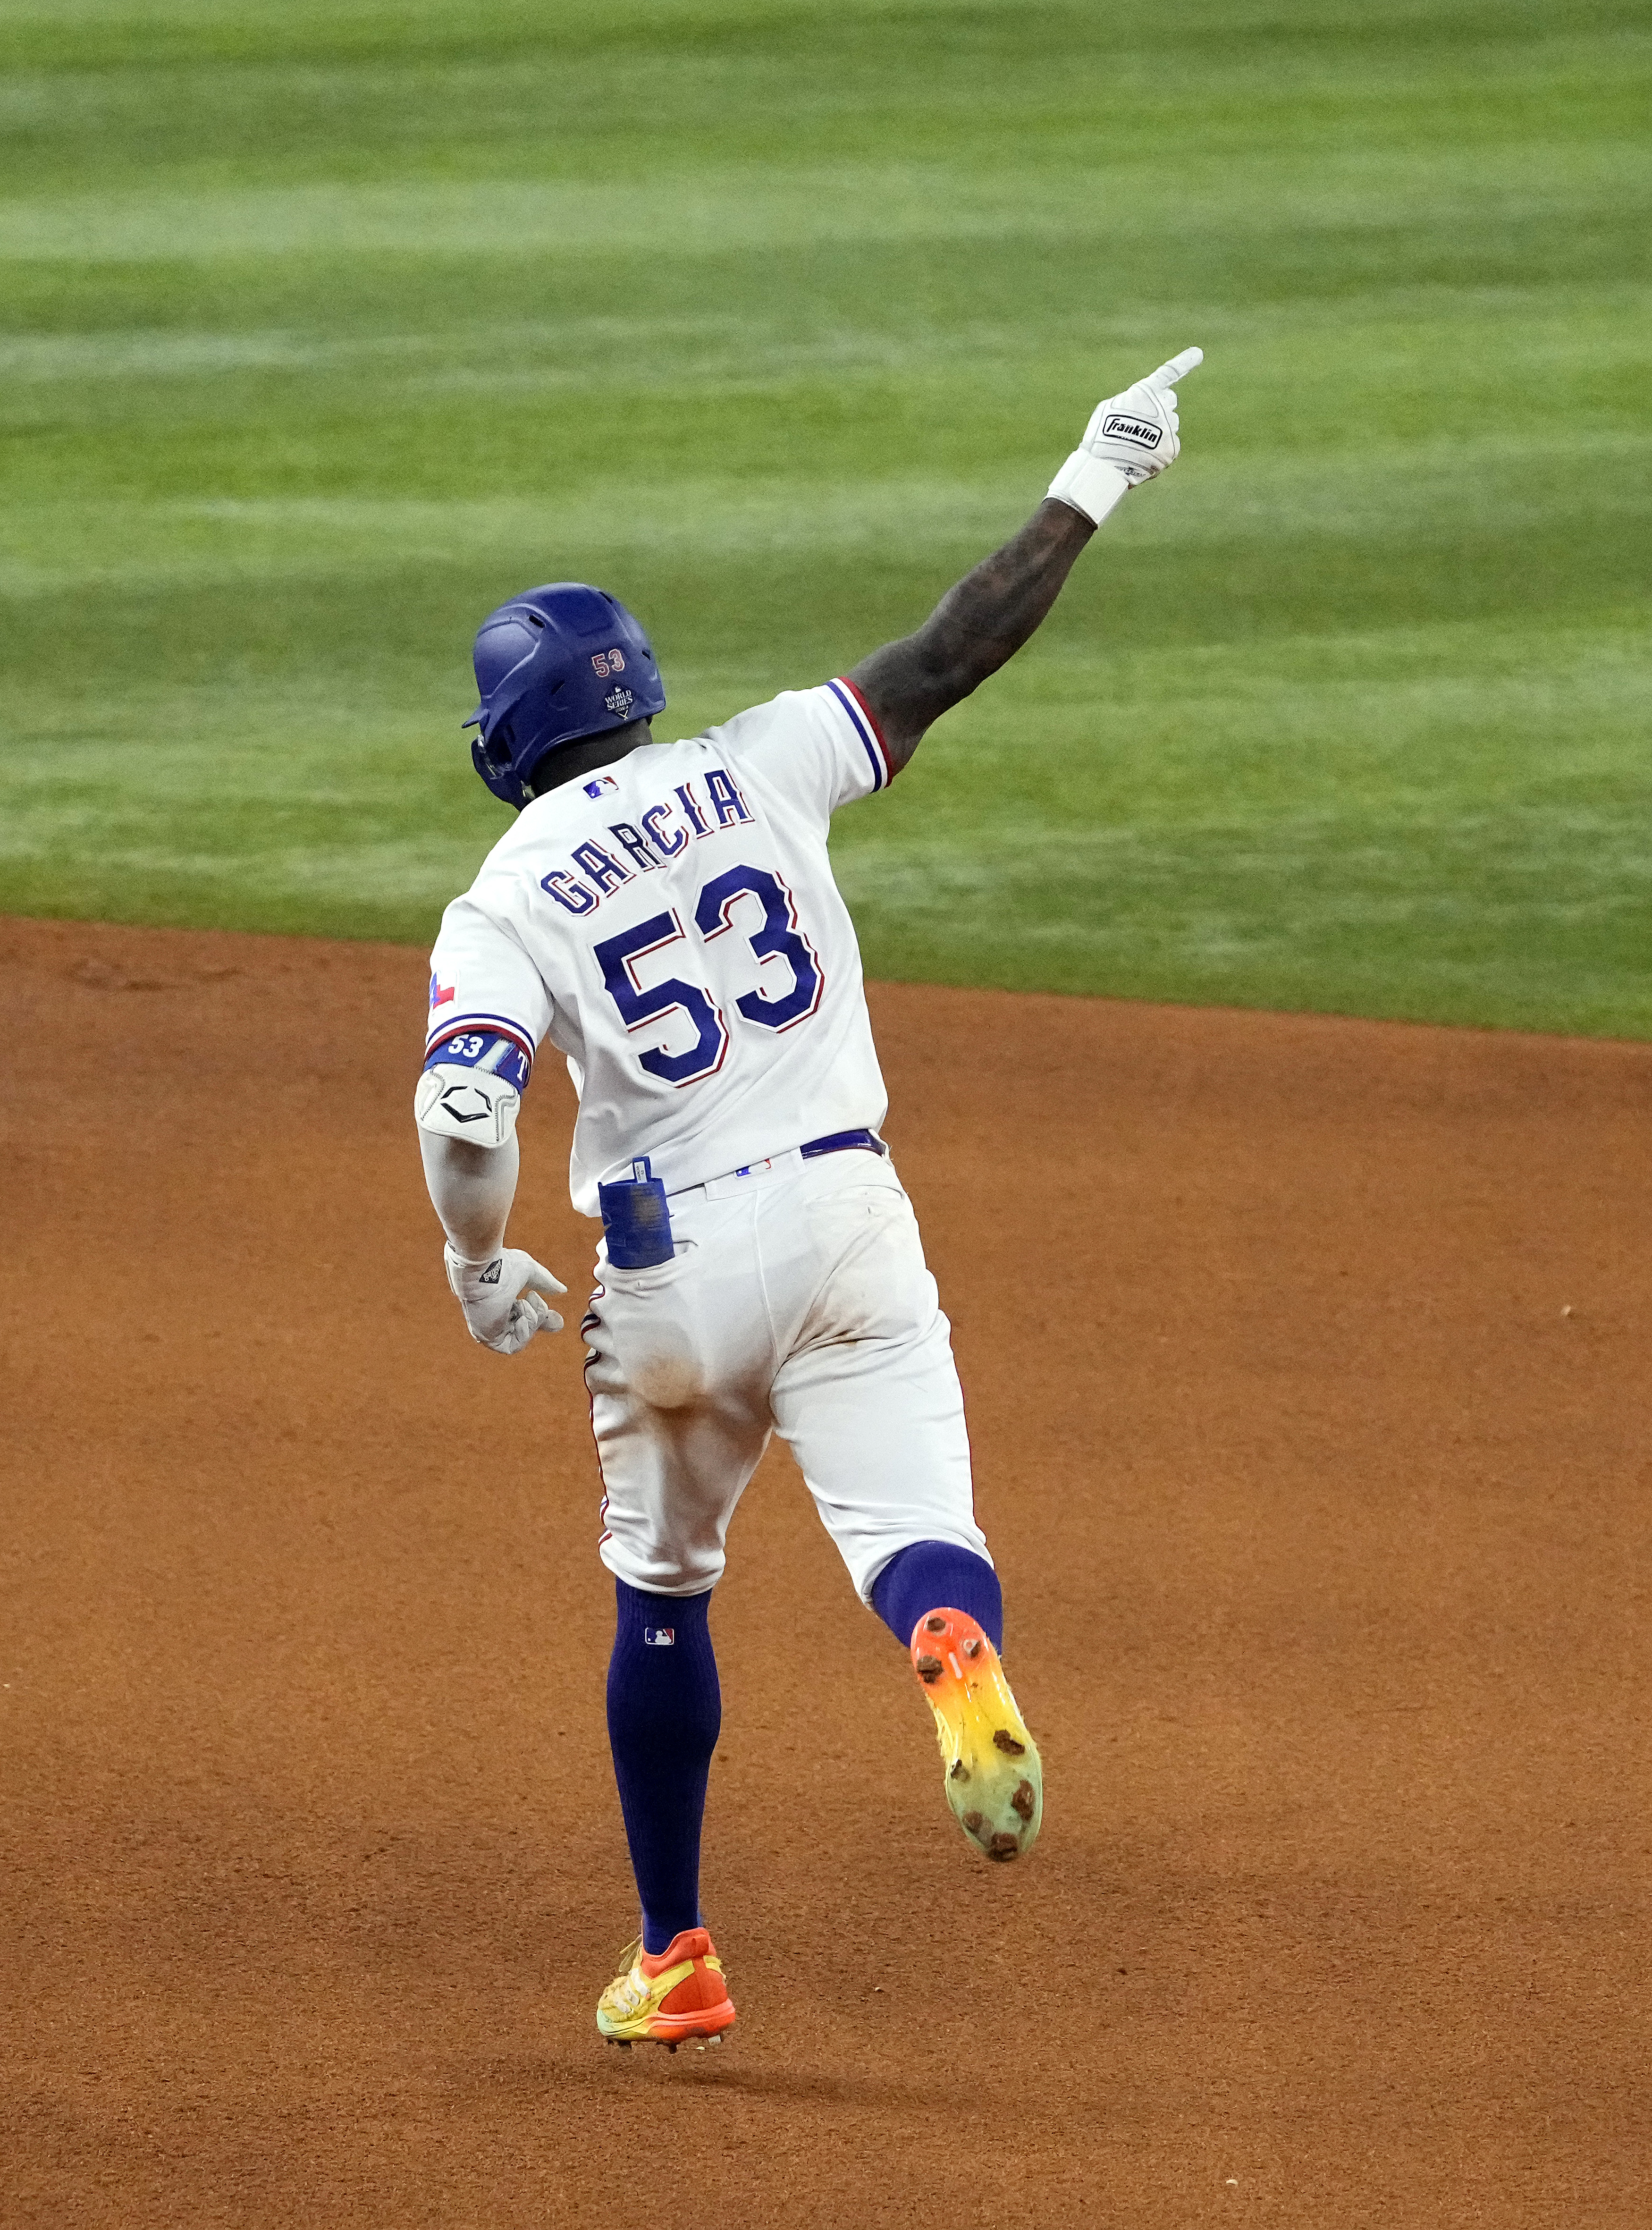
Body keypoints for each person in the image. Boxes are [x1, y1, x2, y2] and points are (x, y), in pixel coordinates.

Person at [413, 348, 1203, 2049]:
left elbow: (467, 1109)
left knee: (663, 1592)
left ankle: (676, 1951)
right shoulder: (764, 759)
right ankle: (946, 1639)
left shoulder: (497, 902)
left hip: (669, 1274)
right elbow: (948, 653)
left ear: (508, 740)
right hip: (851, 1217)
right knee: (918, 1529)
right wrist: (1094, 476)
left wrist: (475, 1256)